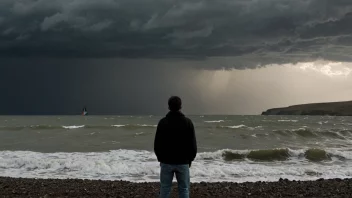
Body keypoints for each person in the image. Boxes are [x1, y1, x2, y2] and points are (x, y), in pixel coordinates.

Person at [154, 96, 197, 198]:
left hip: (166, 161)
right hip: (183, 162)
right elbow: (193, 145)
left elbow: (157, 144)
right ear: (180, 106)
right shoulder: (188, 122)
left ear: (169, 107)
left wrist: (160, 158)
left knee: (165, 189)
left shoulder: (163, 122)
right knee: (184, 189)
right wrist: (190, 159)